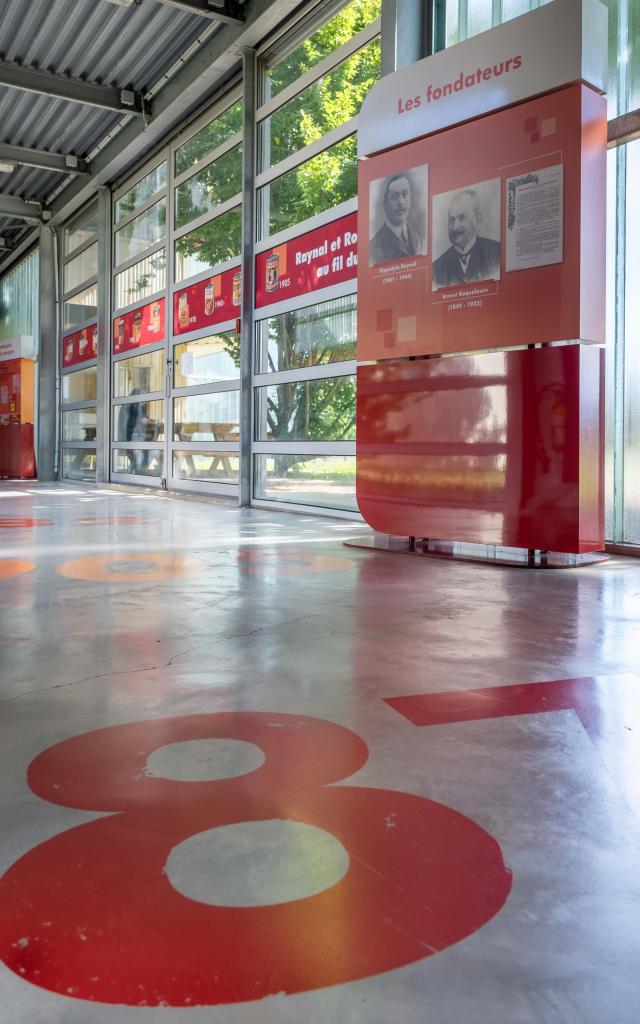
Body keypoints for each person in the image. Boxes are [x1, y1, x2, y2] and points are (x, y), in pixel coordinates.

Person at [432, 189, 501, 289]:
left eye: (462, 218)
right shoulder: (436, 269)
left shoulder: (497, 253)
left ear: (477, 218)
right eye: (451, 220)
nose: (455, 227)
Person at [370, 173, 426, 265]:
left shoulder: (419, 236)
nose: (401, 202)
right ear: (385, 204)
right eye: (395, 196)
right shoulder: (374, 246)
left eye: (405, 194)